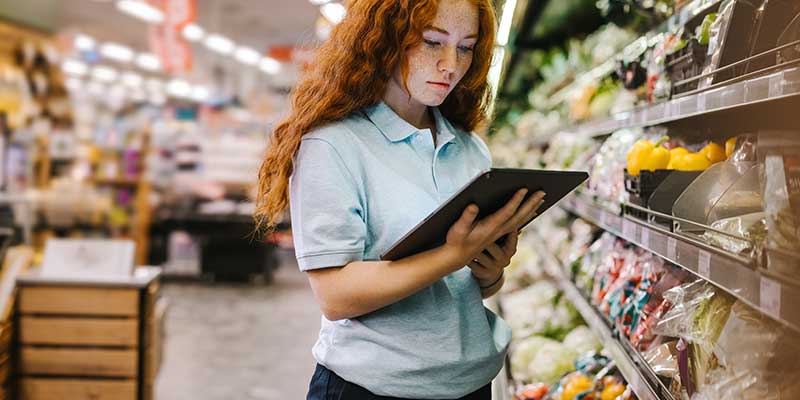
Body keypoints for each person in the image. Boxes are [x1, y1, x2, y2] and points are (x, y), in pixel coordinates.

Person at [255, 0, 545, 398]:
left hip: (472, 385)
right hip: (371, 388)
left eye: (466, 47)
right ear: (385, 39)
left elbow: (473, 290)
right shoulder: (335, 145)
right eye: (432, 42)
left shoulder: (470, 149)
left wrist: (489, 268)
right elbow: (335, 295)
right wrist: (452, 254)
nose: (451, 64)